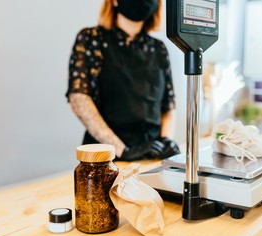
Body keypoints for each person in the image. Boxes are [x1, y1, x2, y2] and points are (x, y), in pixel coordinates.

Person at [66, 0, 180, 161]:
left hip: (151, 156)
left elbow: (168, 105)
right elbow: (79, 99)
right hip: (105, 159)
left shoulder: (159, 48)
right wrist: (122, 150)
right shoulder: (91, 39)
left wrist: (166, 140)